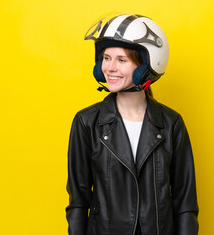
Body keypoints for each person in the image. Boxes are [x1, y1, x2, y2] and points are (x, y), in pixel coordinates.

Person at [66, 13, 199, 235]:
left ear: (144, 67)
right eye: (106, 58)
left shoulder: (171, 123)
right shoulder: (86, 122)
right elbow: (78, 201)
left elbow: (186, 204)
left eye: (121, 60)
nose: (109, 68)